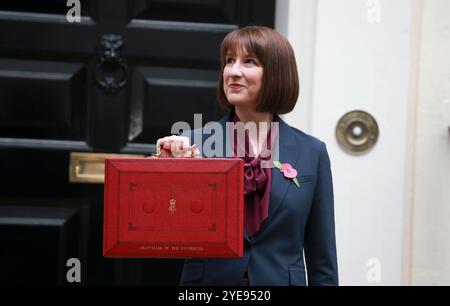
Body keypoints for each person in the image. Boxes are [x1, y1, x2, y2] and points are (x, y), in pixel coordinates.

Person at [156, 26, 338, 286]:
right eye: (229, 61)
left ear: (276, 74)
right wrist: (168, 172)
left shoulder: (312, 152)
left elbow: (323, 260)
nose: (233, 71)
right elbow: (163, 233)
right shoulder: (191, 145)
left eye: (249, 61)